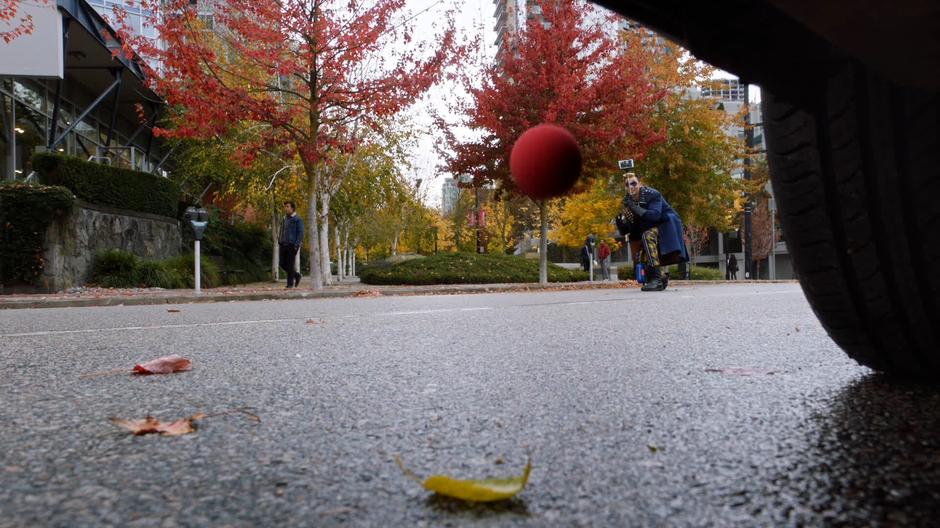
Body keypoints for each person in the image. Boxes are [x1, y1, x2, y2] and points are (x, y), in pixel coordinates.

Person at [614, 172, 688, 292]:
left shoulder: (652, 194)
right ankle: (661, 278)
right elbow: (632, 229)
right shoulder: (627, 201)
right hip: (647, 227)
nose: (631, 186)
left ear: (640, 183)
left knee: (648, 236)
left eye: (634, 183)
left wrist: (634, 207)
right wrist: (621, 223)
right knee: (642, 249)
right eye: (627, 185)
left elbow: (655, 216)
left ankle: (656, 279)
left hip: (665, 224)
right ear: (625, 188)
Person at [279, 201, 304, 288]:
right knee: (282, 263)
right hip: (283, 244)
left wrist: (296, 245)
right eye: (285, 207)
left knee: (290, 264)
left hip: (292, 245)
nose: (286, 208)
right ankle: (296, 275)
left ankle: (290, 284)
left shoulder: (298, 219)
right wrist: (280, 240)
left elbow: (301, 233)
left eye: (287, 207)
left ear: (292, 208)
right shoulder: (284, 218)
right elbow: (282, 230)